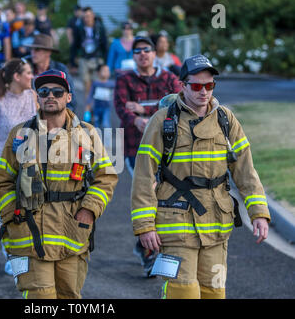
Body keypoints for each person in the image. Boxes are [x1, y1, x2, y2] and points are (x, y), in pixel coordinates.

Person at [131, 54, 271, 299]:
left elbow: (246, 170)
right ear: (182, 86)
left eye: (209, 85)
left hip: (216, 224)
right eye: (196, 86)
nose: (203, 92)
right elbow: (143, 175)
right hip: (174, 222)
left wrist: (259, 213)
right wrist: (144, 225)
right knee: (182, 293)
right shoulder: (163, 121)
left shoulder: (226, 120)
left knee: (214, 293)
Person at [0, 69, 118, 299]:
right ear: (37, 97)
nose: (50, 95)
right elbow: (2, 181)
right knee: (41, 297)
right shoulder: (19, 134)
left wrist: (89, 210)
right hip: (29, 231)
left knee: (69, 295)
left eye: (58, 91)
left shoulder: (88, 134)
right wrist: (12, 214)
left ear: (68, 97)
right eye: (44, 91)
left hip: (72, 231)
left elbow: (106, 177)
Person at [114, 36, 180, 277]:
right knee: (148, 192)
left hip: (169, 149)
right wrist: (141, 115)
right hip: (135, 149)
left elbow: (178, 106)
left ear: (155, 53)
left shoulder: (170, 78)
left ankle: (153, 247)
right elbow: (122, 110)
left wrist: (144, 110)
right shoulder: (124, 80)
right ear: (133, 56)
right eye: (138, 51)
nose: (143, 54)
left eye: (147, 50)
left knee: (163, 195)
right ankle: (148, 249)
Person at [0, 58, 37, 275]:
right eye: (29, 73)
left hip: (30, 162)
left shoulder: (33, 97)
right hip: (0, 164)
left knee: (29, 208)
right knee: (6, 211)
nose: (32, 76)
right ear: (17, 77)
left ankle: (26, 250)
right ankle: (11, 254)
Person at [24, 33, 77, 111]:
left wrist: (62, 118)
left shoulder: (61, 69)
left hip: (55, 113)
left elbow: (71, 100)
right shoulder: (24, 66)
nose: (33, 52)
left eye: (37, 49)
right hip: (29, 115)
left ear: (48, 52)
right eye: (31, 49)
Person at [70, 6, 108, 97]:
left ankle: (95, 108)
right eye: (84, 17)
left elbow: (105, 45)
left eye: (88, 16)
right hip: (84, 58)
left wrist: (105, 63)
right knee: (86, 85)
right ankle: (88, 109)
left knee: (97, 85)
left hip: (97, 59)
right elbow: (75, 45)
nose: (86, 19)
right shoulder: (79, 28)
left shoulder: (100, 27)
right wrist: (73, 63)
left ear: (93, 15)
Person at [85, 64, 115, 130]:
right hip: (96, 107)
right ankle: (96, 139)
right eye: (104, 71)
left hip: (106, 108)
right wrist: (88, 106)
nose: (106, 72)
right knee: (96, 124)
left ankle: (107, 138)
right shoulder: (95, 83)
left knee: (106, 124)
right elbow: (90, 94)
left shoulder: (112, 84)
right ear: (98, 73)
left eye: (108, 71)